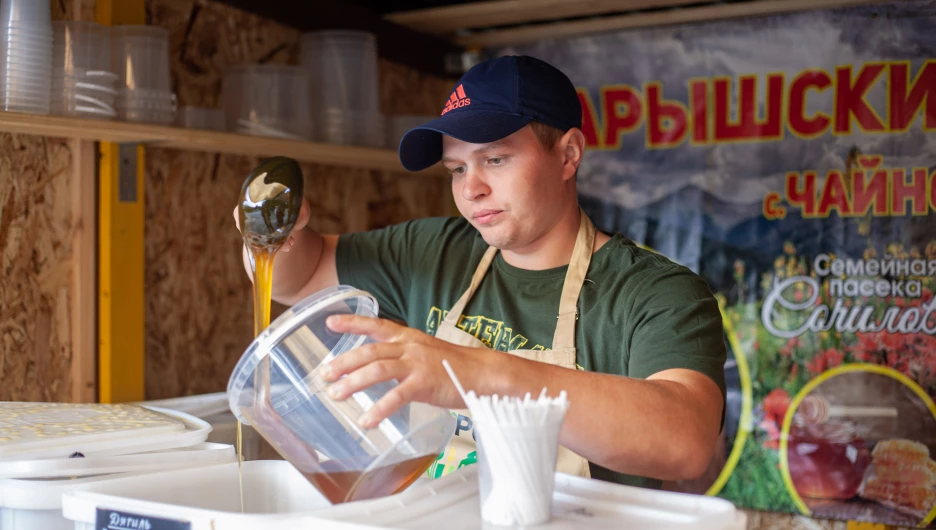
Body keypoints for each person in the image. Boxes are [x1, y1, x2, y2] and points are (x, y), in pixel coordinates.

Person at [236, 55, 727, 489]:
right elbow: (295, 280)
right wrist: (274, 236)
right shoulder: (432, 252)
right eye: (457, 169)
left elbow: (685, 443)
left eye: (494, 159)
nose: (472, 189)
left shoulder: (656, 293)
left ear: (568, 154)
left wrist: (472, 373)